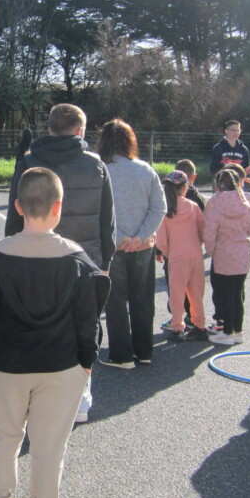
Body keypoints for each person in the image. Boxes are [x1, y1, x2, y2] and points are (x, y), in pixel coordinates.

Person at [0, 168, 109, 498]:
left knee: (2, 439)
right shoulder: (77, 260)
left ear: (17, 207)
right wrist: (86, 362)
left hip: (2, 364)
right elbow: (87, 322)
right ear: (58, 208)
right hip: (61, 366)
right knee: (49, 447)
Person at [5, 104, 114, 420]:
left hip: (36, 257)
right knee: (83, 328)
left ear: (48, 128)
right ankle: (79, 400)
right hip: (85, 261)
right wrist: (106, 261)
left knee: (35, 325)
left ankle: (35, 397)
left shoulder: (28, 162)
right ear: (81, 130)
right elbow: (108, 219)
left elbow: (15, 212)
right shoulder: (96, 165)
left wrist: (12, 249)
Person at [95, 118, 166, 369]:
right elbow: (159, 207)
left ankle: (122, 355)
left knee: (115, 302)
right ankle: (144, 351)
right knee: (143, 300)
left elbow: (97, 211)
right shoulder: (145, 169)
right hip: (143, 247)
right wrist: (141, 237)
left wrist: (119, 238)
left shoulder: (100, 169)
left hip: (112, 248)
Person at [202, 169, 250, 345]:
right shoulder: (244, 201)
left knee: (226, 294)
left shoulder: (215, 202)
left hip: (224, 251)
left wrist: (211, 251)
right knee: (238, 292)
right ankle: (238, 331)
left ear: (218, 184)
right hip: (243, 251)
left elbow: (208, 233)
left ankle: (227, 332)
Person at [155, 170, 207, 342]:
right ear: (185, 188)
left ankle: (177, 327)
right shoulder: (193, 207)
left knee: (177, 294)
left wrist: (168, 252)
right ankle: (200, 325)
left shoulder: (165, 210)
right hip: (195, 254)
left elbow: (160, 239)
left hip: (177, 256)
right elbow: (202, 229)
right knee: (196, 292)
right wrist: (196, 245)